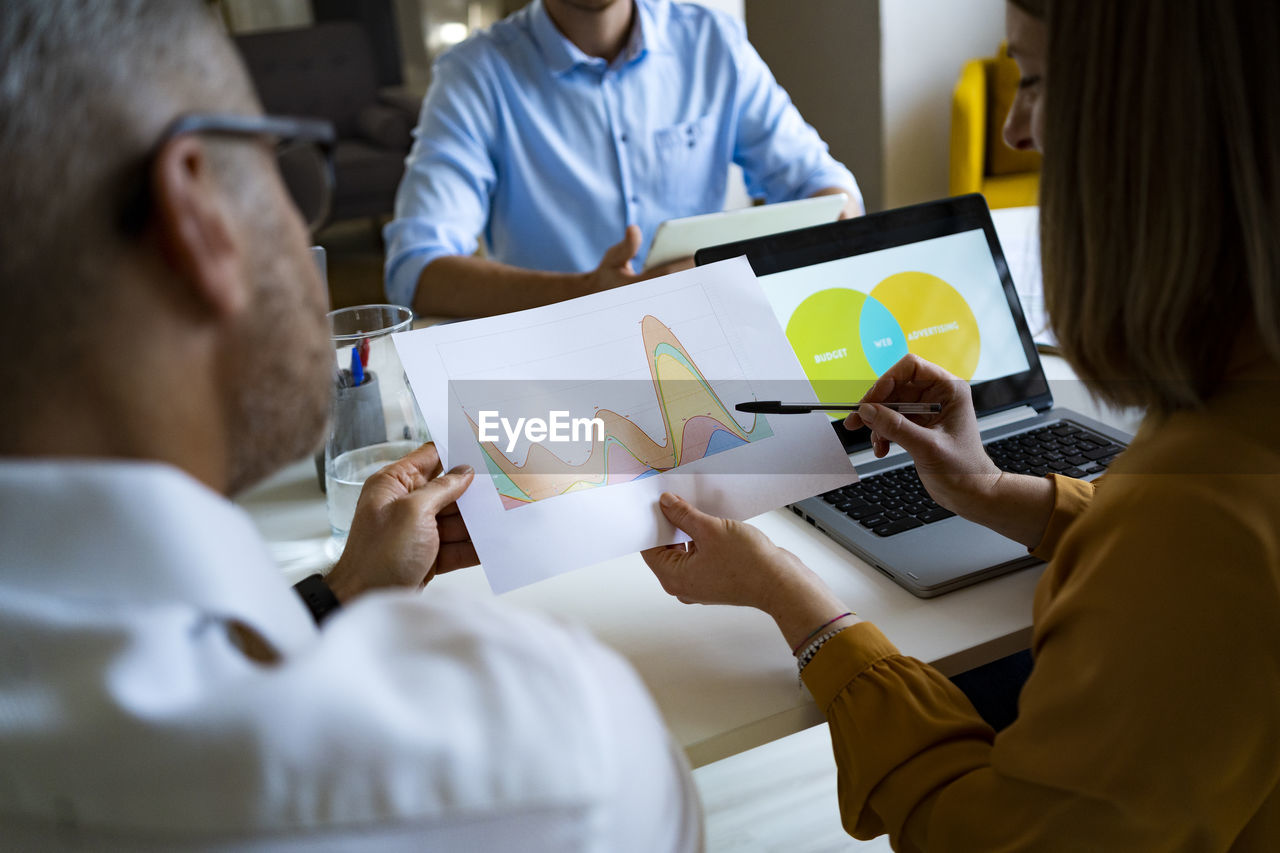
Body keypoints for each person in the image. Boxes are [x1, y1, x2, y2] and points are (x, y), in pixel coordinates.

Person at [0, 2, 700, 850]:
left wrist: (337, 598)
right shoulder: (549, 747)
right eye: (281, 165)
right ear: (197, 214)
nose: (301, 228)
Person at [642, 0, 1280, 848]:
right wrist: (996, 491)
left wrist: (796, 601)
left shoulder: (1195, 516)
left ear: (1148, 127)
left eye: (1038, 81)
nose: (1015, 129)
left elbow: (986, 838)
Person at [384, 0, 863, 318]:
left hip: (715, 338)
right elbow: (416, 271)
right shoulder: (474, 75)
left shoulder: (711, 41)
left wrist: (735, 265)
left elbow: (828, 190)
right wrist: (587, 293)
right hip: (559, 365)